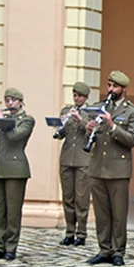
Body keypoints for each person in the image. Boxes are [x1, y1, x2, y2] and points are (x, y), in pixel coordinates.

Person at [85, 70, 134, 267]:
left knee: (118, 213)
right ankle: (104, 248)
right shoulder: (99, 107)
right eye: (109, 85)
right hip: (98, 166)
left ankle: (118, 251)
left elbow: (132, 139)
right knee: (101, 212)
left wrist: (112, 125)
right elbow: (91, 139)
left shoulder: (131, 111)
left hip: (118, 169)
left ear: (123, 89)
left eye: (115, 86)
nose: (111, 90)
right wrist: (89, 129)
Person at [0, 87, 35, 261]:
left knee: (13, 211)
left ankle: (11, 247)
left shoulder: (26, 120)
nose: (9, 103)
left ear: (21, 101)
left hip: (15, 169)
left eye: (13, 99)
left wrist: (0, 121)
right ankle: (0, 245)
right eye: (7, 100)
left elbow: (14, 137)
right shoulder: (2, 119)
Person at [55, 81, 91, 247]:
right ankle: (69, 232)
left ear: (85, 97)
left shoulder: (91, 113)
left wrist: (80, 118)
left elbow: (92, 132)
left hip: (83, 159)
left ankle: (81, 233)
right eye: (75, 96)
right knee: (68, 197)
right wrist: (60, 123)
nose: (76, 99)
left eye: (79, 96)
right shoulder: (66, 110)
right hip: (67, 158)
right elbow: (60, 134)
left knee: (81, 198)